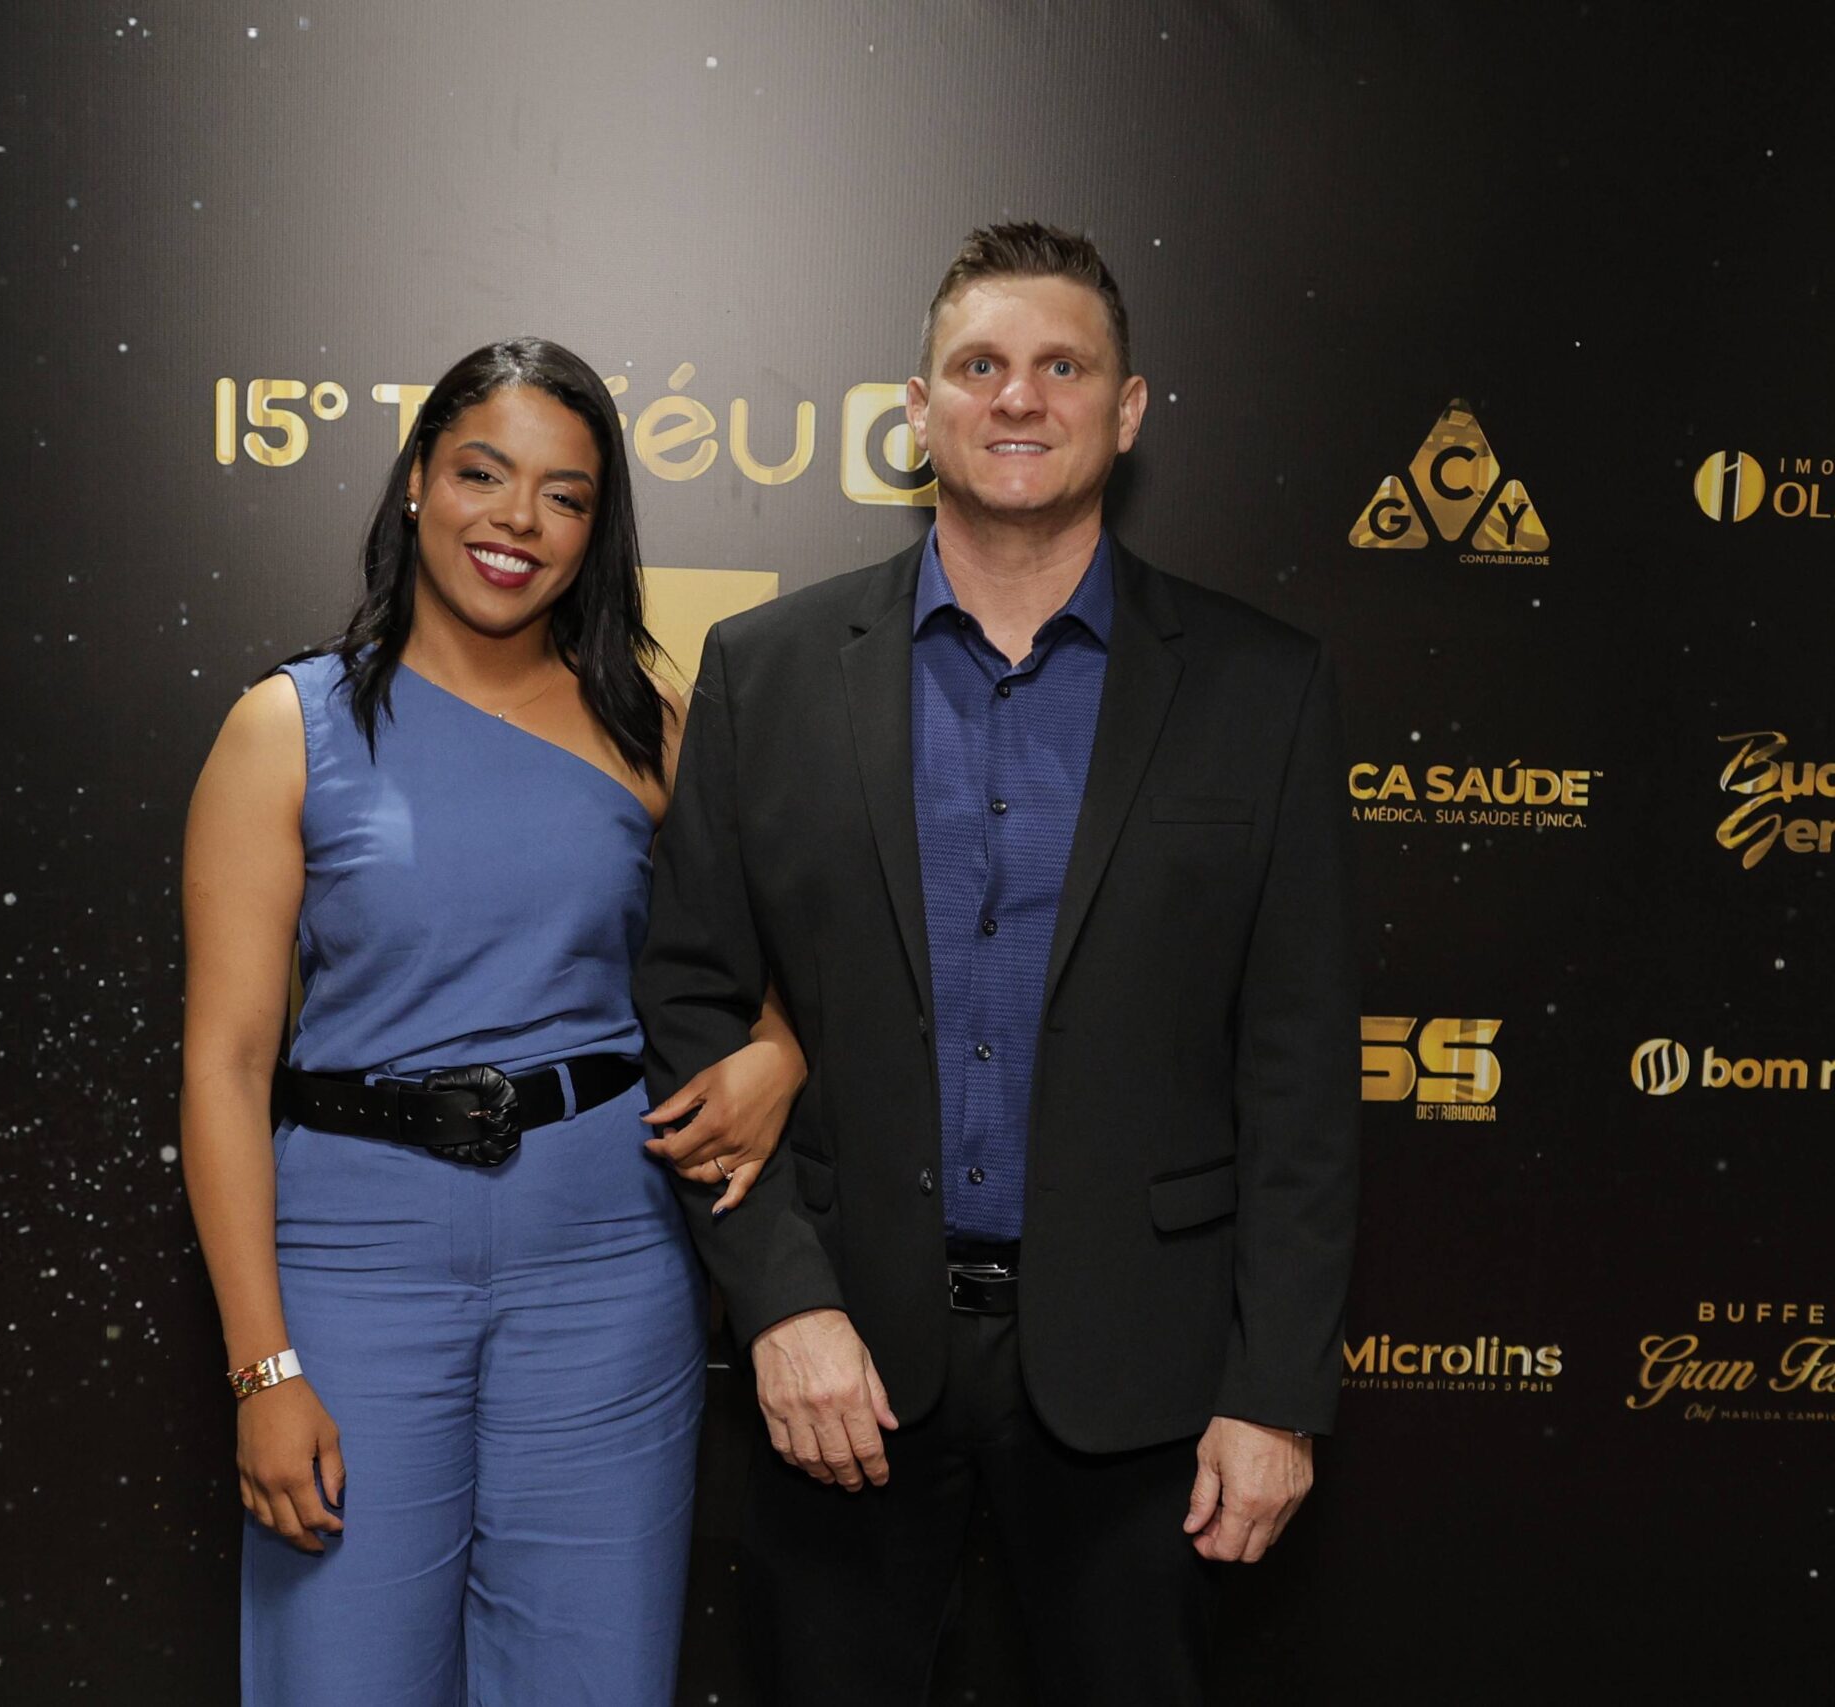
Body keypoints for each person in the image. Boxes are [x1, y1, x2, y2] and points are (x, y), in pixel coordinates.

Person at [636, 224, 1360, 1704]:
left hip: (1149, 1383)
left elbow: (1300, 1073)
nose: (1019, 397)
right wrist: (781, 1304)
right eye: (979, 366)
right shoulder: (768, 670)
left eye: (1061, 367)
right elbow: (690, 1002)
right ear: (918, 410)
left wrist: (1278, 1393)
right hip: (844, 1360)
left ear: (1128, 409)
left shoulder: (1262, 688)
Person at [179, 337, 802, 1706]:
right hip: (355, 1268)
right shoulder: (286, 728)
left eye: (564, 496)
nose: (518, 521)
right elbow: (226, 1066)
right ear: (417, 480)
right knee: (344, 1674)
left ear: (597, 528)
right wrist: (262, 1368)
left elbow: (766, 987)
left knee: (594, 1677)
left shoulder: (653, 727)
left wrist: (781, 1055)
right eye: (482, 473)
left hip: (609, 1266)